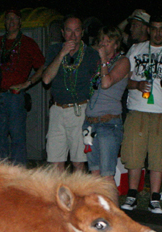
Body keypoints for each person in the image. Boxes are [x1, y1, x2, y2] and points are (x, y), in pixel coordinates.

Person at [120, 14, 162, 214]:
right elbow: (123, 79)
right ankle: (132, 196)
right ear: (149, 30)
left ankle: (155, 199)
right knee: (133, 154)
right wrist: (137, 84)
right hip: (138, 110)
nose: (158, 33)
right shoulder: (136, 49)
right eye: (154, 28)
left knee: (159, 158)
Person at [41, 15, 101, 172]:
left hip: (80, 110)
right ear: (62, 33)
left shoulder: (90, 54)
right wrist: (61, 54)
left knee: (78, 161)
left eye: (77, 31)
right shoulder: (54, 50)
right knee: (55, 161)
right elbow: (46, 79)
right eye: (69, 31)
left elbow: (98, 85)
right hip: (57, 110)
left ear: (82, 32)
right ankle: (58, 195)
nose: (73, 36)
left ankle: (77, 194)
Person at [0, 9, 45, 166]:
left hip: (15, 96)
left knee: (17, 136)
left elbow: (42, 67)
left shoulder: (27, 43)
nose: (11, 22)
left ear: (20, 22)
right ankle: (1, 174)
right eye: (8, 19)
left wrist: (27, 83)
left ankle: (19, 174)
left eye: (14, 19)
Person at [83, 26, 130, 187]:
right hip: (90, 124)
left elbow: (106, 83)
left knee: (107, 177)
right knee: (94, 176)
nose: (103, 44)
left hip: (108, 124)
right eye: (101, 41)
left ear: (116, 45)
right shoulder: (96, 63)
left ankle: (112, 212)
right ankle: (98, 211)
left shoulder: (123, 61)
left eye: (108, 42)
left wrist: (103, 60)